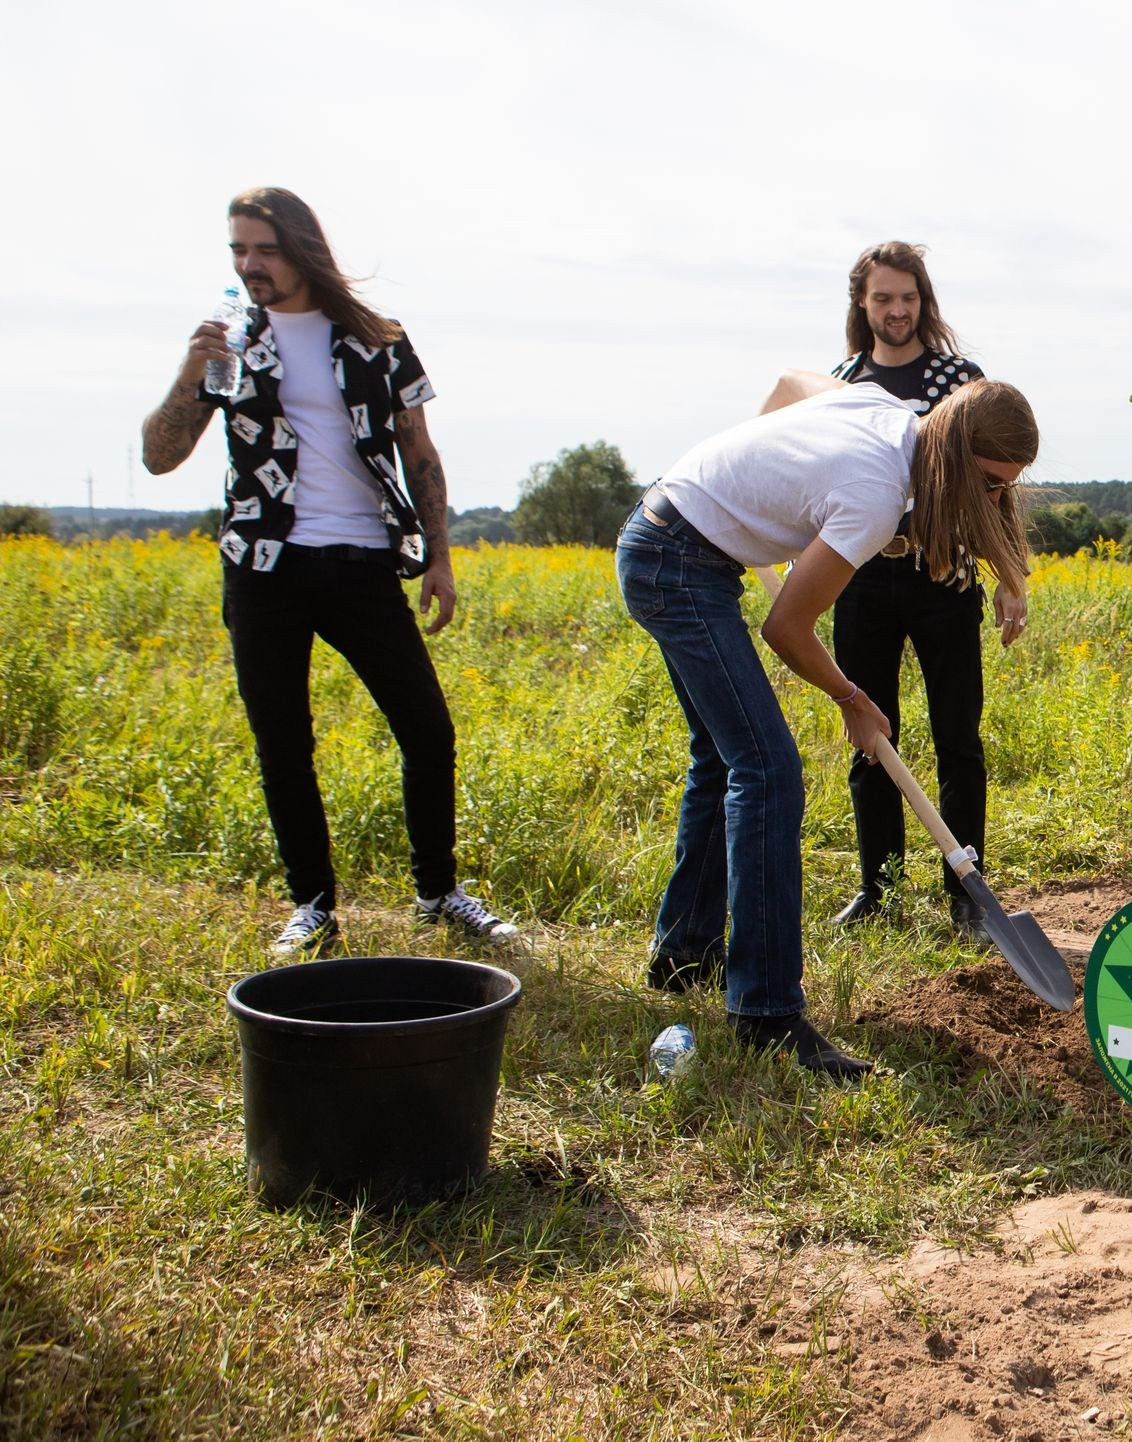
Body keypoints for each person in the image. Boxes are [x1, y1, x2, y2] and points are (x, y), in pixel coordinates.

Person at [617, 371, 1037, 1079]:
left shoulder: (895, 411)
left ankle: (684, 955)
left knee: (724, 762)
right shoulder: (875, 494)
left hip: (675, 541)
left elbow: (791, 386)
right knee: (768, 771)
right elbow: (786, 628)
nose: (997, 499)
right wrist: (850, 696)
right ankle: (768, 1014)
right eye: (993, 484)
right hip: (677, 562)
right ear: (958, 456)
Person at [140, 187, 517, 957]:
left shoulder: (378, 337)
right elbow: (158, 456)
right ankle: (313, 906)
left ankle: (438, 894)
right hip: (262, 568)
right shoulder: (228, 341)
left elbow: (419, 451)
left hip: (362, 563)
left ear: (302, 248)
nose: (250, 266)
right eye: (238, 251)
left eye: (264, 250)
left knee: (427, 728)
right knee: (283, 743)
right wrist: (189, 372)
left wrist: (439, 554)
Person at [821, 243, 1027, 932]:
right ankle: (880, 892)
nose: (897, 309)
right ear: (863, 304)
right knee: (872, 736)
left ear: (923, 301)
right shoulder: (844, 383)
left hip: (946, 576)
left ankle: (966, 896)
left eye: (908, 297)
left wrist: (1010, 576)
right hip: (863, 576)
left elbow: (995, 491)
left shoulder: (958, 379)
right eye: (883, 298)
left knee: (958, 739)